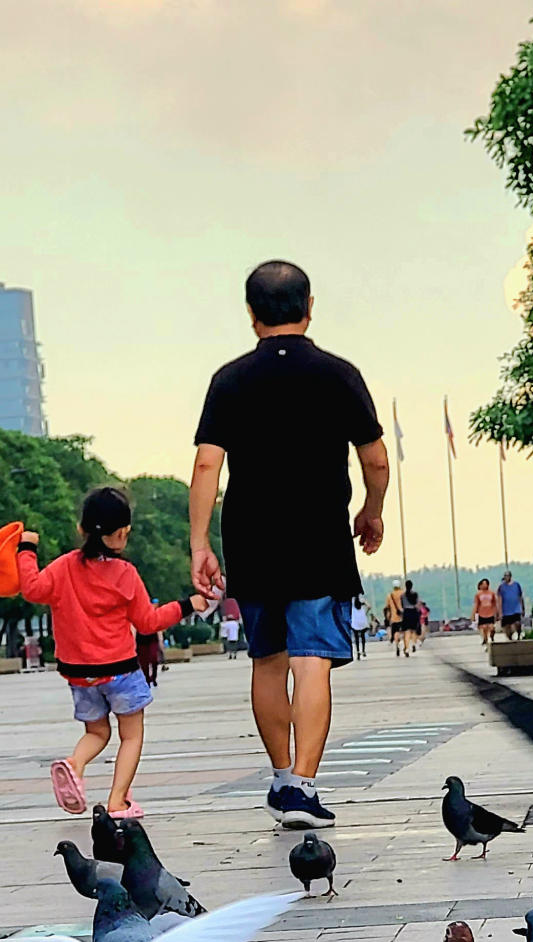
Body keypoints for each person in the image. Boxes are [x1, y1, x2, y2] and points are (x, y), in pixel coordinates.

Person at [189, 260, 388, 831]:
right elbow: (374, 458)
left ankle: (280, 778)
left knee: (267, 661)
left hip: (251, 540)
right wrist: (371, 512)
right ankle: (302, 784)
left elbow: (208, 462)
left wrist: (200, 543)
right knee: (312, 660)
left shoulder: (228, 380)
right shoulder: (338, 374)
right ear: (309, 306)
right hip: (319, 540)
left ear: (251, 314)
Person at [19, 486, 213, 818]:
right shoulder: (125, 574)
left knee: (96, 732)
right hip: (120, 670)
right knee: (131, 735)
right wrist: (186, 605)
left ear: (81, 529)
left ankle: (74, 764)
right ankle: (118, 800)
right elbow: (148, 622)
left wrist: (26, 550)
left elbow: (33, 588)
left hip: (79, 674)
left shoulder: (64, 567)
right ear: (123, 533)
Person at [496, 570, 525, 638]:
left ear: (510, 577)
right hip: (506, 611)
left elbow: (520, 597)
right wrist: (499, 612)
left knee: (517, 623)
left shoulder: (516, 585)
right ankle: (510, 637)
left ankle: (518, 634)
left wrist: (523, 608)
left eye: (508, 576)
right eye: (505, 576)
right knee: (507, 628)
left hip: (516, 609)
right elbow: (499, 599)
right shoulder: (501, 587)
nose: (506, 578)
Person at [473, 578, 498, 646]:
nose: (485, 585)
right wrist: (473, 614)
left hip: (490, 613)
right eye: (483, 584)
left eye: (486, 584)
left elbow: (494, 604)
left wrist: (496, 612)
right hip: (482, 614)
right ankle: (485, 640)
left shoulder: (491, 593)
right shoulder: (478, 594)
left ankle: (492, 636)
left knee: (492, 627)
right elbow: (476, 604)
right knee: (484, 628)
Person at [383, 583, 407, 655]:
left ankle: (397, 646)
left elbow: (387, 607)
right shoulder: (403, 593)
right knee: (405, 632)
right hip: (403, 616)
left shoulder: (390, 595)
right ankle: (406, 648)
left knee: (396, 632)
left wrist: (388, 617)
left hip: (394, 617)